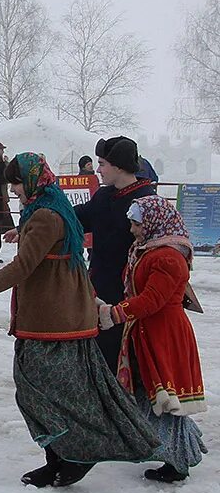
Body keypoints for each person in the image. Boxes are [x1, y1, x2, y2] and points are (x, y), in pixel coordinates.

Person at [0, 153, 158, 488]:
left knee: (40, 391)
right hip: (59, 312)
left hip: (53, 317)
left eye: (16, 183)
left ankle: (72, 456)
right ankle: (62, 458)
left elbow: (23, 267)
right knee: (53, 390)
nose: (14, 190)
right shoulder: (50, 205)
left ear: (30, 180)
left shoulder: (45, 215)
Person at [99, 196, 207, 483]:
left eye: (136, 223)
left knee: (166, 400)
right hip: (148, 331)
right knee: (151, 395)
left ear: (153, 222)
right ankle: (177, 449)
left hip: (163, 333)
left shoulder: (168, 257)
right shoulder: (149, 250)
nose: (133, 229)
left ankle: (179, 459)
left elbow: (153, 300)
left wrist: (116, 312)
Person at [63, 135, 155, 372]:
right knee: (101, 353)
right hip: (101, 287)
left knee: (130, 357)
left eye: (102, 164)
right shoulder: (104, 196)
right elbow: (76, 218)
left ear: (119, 165)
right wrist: (35, 225)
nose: (99, 170)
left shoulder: (147, 201)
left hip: (133, 292)